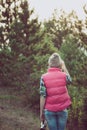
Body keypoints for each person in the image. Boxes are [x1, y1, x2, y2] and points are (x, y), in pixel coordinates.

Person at [40, 53, 72, 130]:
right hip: (62, 109)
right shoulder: (64, 75)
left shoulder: (43, 77)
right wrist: (64, 67)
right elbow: (70, 81)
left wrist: (41, 112)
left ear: (49, 64)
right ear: (60, 64)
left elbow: (43, 95)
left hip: (49, 110)